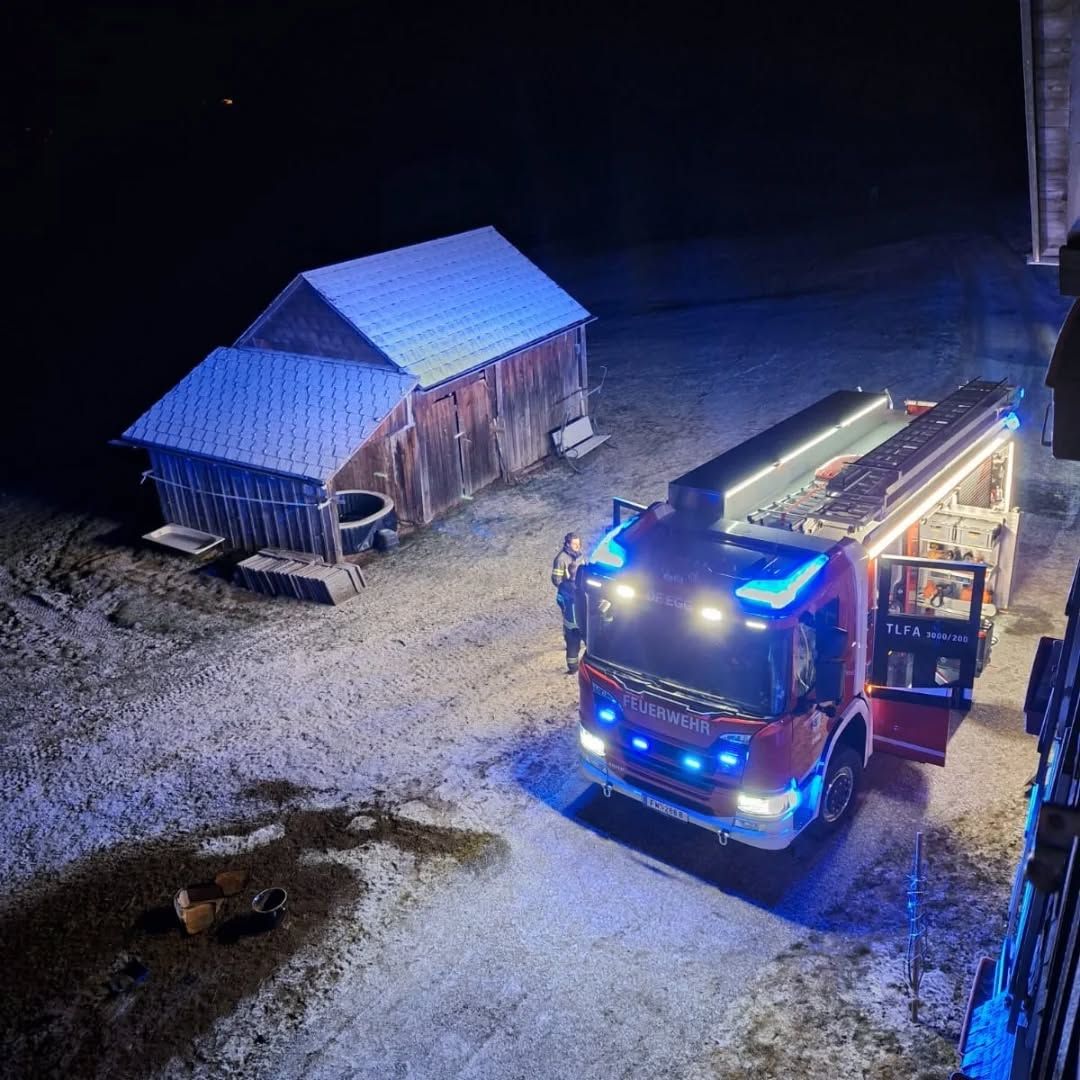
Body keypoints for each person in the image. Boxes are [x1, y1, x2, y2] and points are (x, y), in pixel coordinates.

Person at [551, 532, 585, 673]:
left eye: (579, 544)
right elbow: (556, 579)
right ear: (567, 544)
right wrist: (567, 586)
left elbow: (584, 569)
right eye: (575, 544)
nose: (578, 546)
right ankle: (572, 663)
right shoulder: (561, 559)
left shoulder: (580, 556)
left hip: (578, 593)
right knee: (570, 624)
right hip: (567, 596)